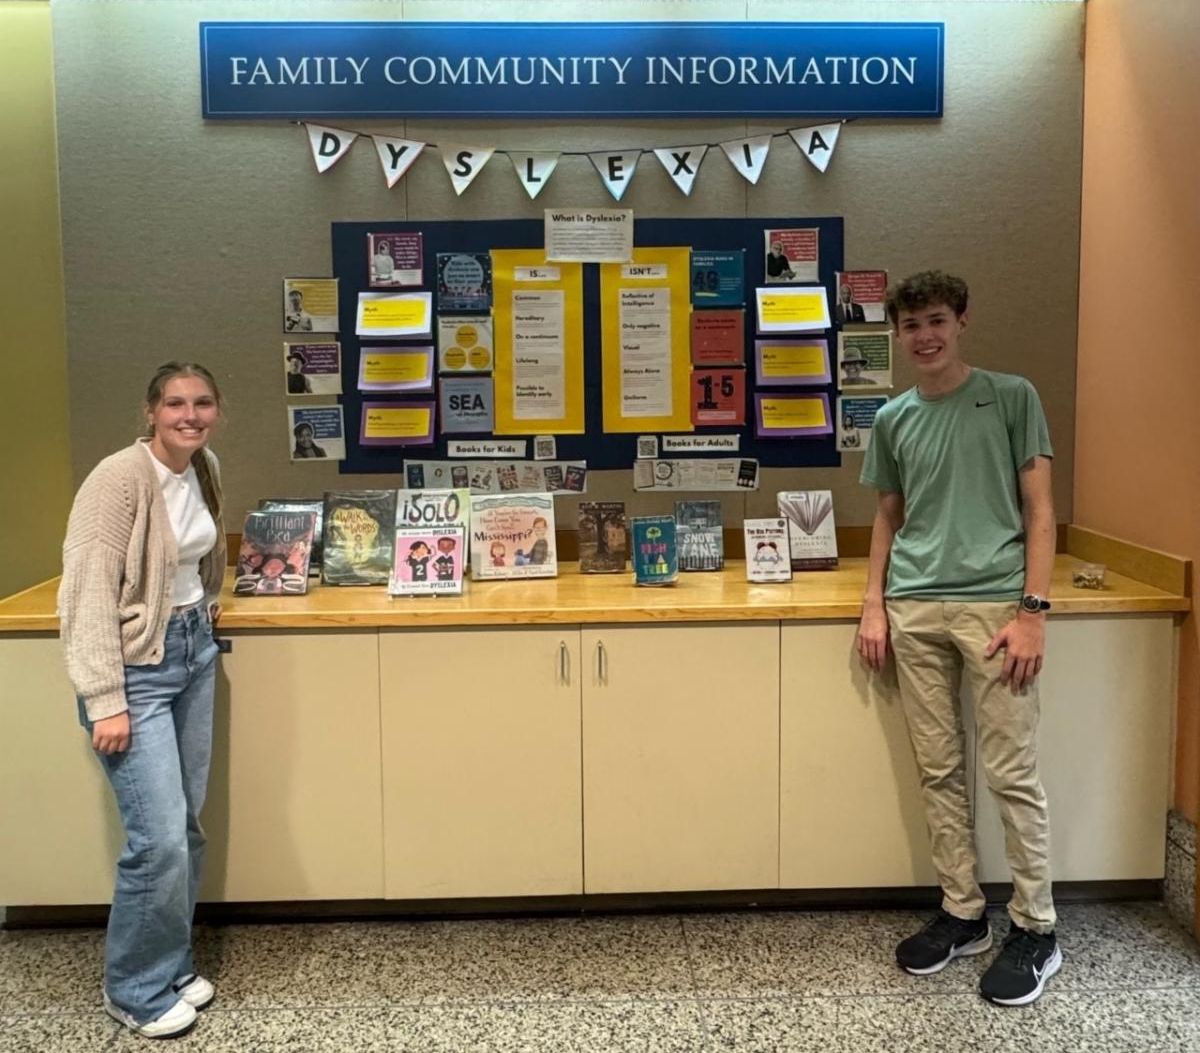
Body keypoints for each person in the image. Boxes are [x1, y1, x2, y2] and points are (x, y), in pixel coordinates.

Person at [856, 271, 1059, 1007]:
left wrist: (1032, 611)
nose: (925, 336)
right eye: (911, 326)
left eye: (936, 320)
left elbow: (1041, 512)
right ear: (898, 334)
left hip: (995, 611)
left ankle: (1035, 927)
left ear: (962, 320)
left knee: (1011, 772)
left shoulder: (1011, 397)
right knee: (938, 769)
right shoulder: (893, 417)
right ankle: (963, 911)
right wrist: (873, 604)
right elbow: (888, 514)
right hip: (914, 608)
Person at [58, 362, 228, 1039]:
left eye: (203, 403)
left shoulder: (204, 466)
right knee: (156, 841)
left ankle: (171, 963)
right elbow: (85, 591)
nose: (190, 415)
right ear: (151, 411)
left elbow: (194, 558)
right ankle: (131, 987)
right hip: (137, 672)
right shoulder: (117, 479)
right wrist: (105, 697)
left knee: (184, 829)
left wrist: (207, 612)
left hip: (194, 652)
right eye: (176, 403)